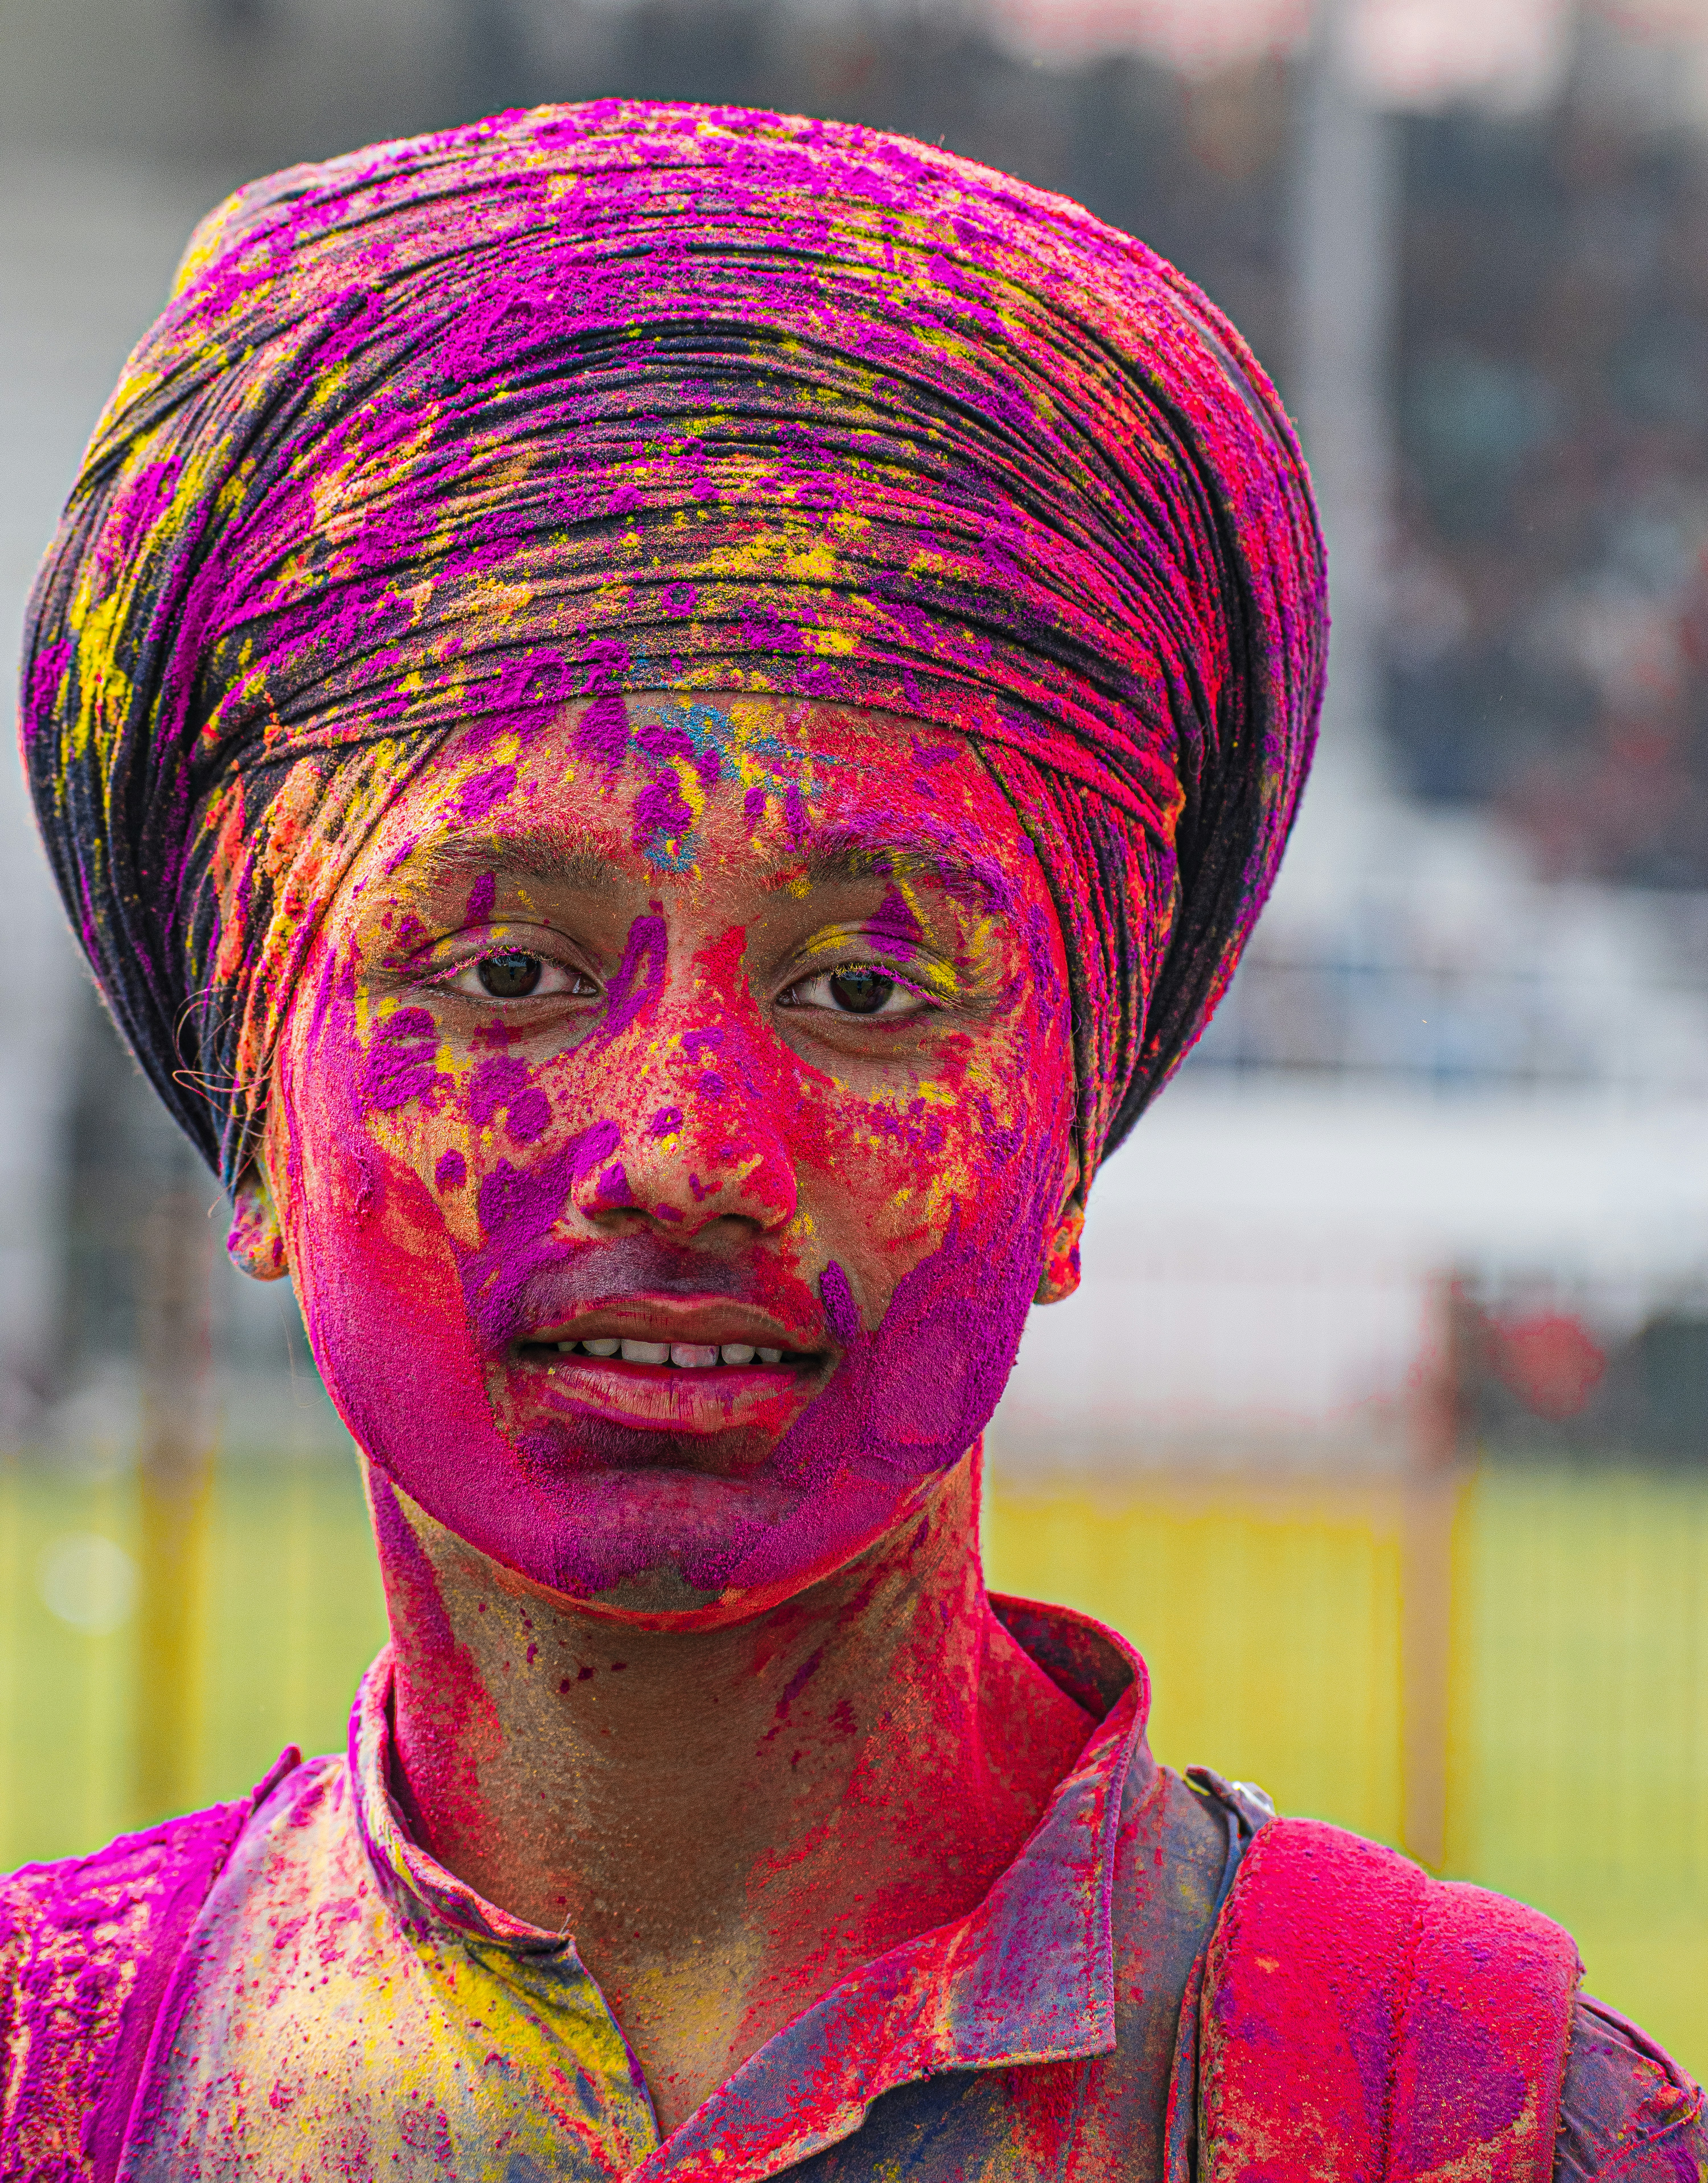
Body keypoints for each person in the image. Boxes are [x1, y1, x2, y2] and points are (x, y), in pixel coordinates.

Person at [10, 99, 1700, 2181]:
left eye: (869, 990)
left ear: (1076, 1128)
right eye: (511, 974)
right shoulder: (49, 2076)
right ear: (258, 1102)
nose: (690, 1150)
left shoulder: (1464, 2111)